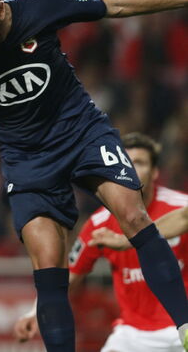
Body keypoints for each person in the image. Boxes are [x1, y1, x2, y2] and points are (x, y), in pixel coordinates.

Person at [0, 0, 188, 352]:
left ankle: (185, 328)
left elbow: (113, 4)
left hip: (81, 132)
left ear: (1, 10)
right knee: (48, 264)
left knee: (134, 216)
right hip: (27, 157)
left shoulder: (40, 7)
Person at [14, 133, 188, 352]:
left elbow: (183, 218)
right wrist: (34, 311)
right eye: (127, 162)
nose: (132, 169)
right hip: (132, 334)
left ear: (154, 172)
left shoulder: (180, 207)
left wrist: (124, 241)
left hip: (179, 326)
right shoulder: (99, 223)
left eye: (140, 163)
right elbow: (69, 275)